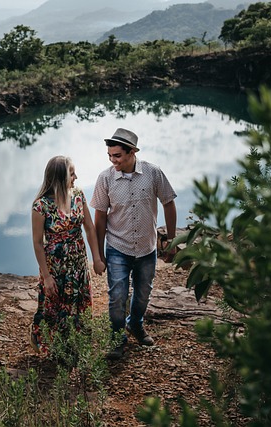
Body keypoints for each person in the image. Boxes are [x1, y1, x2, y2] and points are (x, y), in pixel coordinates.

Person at [90, 128, 177, 360]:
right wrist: (98, 256)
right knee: (117, 296)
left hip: (147, 248)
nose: (112, 160)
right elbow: (99, 217)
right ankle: (117, 338)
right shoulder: (105, 178)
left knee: (142, 295)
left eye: (117, 155)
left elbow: (169, 202)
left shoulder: (153, 173)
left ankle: (135, 325)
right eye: (110, 155)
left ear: (132, 152)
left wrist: (170, 239)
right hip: (118, 247)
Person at [29, 155, 105, 354]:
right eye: (72, 173)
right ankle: (49, 342)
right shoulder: (41, 206)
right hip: (55, 266)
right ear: (60, 177)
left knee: (79, 302)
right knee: (55, 305)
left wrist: (96, 258)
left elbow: (89, 228)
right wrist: (46, 276)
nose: (76, 177)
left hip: (79, 262)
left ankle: (76, 344)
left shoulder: (78, 195)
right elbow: (38, 243)